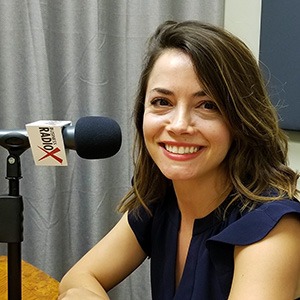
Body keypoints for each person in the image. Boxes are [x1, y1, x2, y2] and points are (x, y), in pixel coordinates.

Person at [58, 20, 300, 299]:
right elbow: (77, 277)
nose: (179, 125)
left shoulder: (275, 228)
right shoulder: (160, 200)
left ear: (241, 120)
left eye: (207, 105)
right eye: (163, 102)